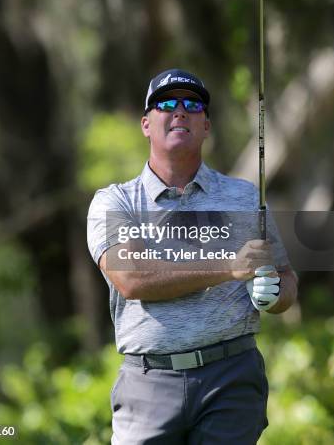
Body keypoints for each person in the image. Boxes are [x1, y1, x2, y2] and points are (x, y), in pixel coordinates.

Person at [87, 69, 298, 445]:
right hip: (148, 383)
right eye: (166, 103)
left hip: (231, 377)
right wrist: (228, 268)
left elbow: (284, 279)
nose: (180, 111)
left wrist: (275, 292)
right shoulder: (116, 201)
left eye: (193, 105)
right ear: (146, 124)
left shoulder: (244, 197)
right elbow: (132, 279)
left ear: (206, 126)